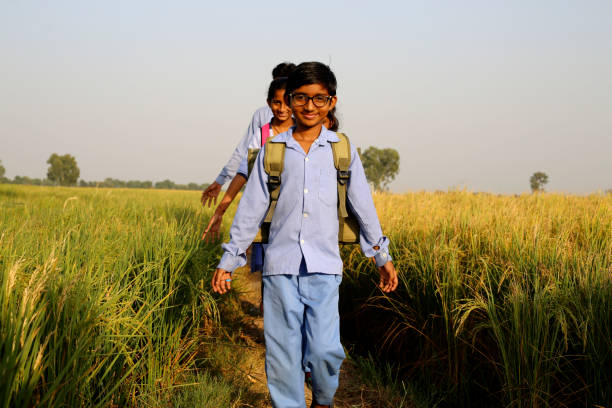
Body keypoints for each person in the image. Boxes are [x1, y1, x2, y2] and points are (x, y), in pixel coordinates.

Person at [211, 62, 398, 408]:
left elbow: (363, 206)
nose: (309, 106)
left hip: (324, 268)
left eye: (319, 99)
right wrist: (229, 259)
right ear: (290, 100)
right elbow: (250, 210)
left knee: (326, 350)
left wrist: (381, 257)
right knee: (282, 354)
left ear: (332, 101)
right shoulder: (274, 151)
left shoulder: (342, 150)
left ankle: (323, 400)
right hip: (280, 267)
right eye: (301, 98)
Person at [200, 62, 296, 208]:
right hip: (267, 197)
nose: (282, 108)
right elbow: (245, 156)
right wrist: (221, 181)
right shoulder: (263, 117)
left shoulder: (304, 121)